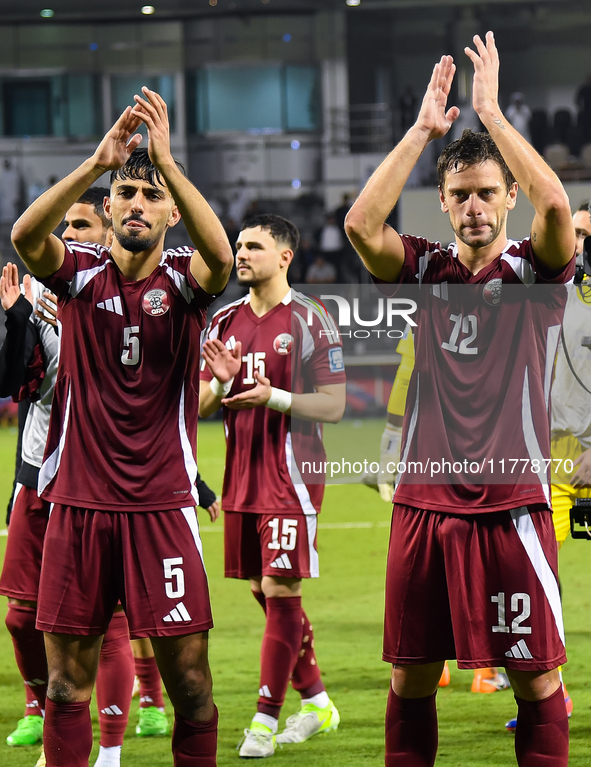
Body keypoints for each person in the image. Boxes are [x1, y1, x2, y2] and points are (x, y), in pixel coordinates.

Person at [345, 32, 575, 767]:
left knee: (533, 677)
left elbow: (557, 202)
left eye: (486, 192)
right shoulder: (425, 269)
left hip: (511, 502)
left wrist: (492, 115)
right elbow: (358, 225)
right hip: (423, 504)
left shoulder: (534, 272)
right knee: (410, 675)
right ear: (441, 202)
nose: (473, 206)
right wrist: (420, 130)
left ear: (506, 196)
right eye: (459, 195)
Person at [10, 87, 233, 767]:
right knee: (64, 685)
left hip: (161, 508)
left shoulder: (185, 281)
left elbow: (220, 260)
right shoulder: (79, 273)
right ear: (107, 209)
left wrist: (168, 161)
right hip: (77, 505)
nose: (135, 203)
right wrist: (94, 161)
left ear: (170, 210)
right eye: (124, 193)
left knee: (190, 682)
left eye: (149, 194)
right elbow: (24, 238)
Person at [199, 213, 346, 758]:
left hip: (293, 477)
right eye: (239, 245)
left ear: (285, 256)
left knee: (282, 591)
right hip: (241, 474)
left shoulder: (312, 317)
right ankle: (318, 702)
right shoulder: (224, 321)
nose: (241, 254)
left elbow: (334, 405)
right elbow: (199, 404)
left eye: (254, 246)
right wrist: (220, 379)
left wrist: (275, 398)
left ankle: (263, 721)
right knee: (262, 590)